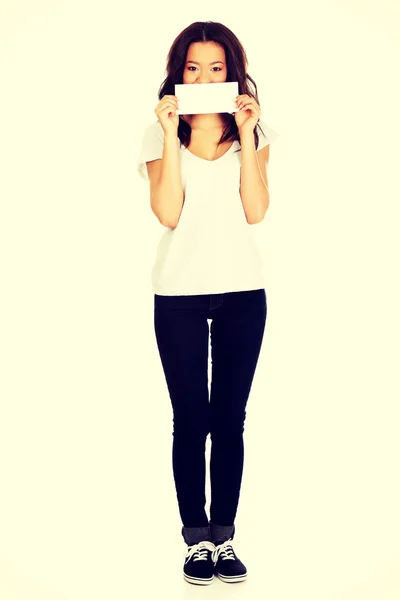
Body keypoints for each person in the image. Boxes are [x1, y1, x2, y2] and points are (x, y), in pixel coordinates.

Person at [137, 21, 279, 586]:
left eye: (216, 68)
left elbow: (256, 210)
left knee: (231, 420)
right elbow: (169, 212)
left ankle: (225, 538)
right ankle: (196, 541)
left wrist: (247, 134)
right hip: (178, 294)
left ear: (233, 70)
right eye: (193, 68)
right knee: (190, 420)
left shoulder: (255, 131)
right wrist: (171, 137)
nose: (204, 77)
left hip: (244, 291)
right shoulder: (156, 135)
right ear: (178, 72)